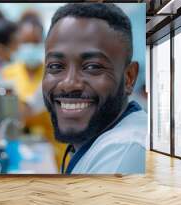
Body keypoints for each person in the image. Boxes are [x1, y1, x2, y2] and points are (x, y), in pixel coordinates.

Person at [42, 3, 147, 174]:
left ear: (129, 78)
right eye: (55, 66)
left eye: (92, 67)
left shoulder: (124, 151)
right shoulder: (99, 141)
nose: (69, 84)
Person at [2, 10, 66, 167]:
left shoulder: (55, 73)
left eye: (35, 42)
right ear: (17, 42)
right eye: (25, 42)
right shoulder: (7, 73)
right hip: (16, 148)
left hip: (52, 149)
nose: (30, 47)